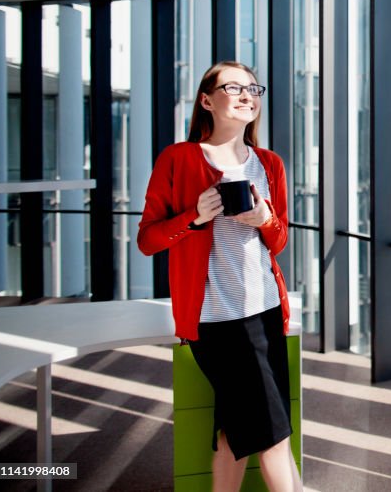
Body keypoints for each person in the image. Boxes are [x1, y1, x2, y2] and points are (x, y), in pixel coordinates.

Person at [137, 61, 301, 492]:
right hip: (217, 322)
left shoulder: (269, 163)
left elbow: (279, 241)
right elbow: (148, 240)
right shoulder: (178, 158)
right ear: (207, 100)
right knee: (274, 437)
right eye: (234, 87)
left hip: (266, 311)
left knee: (235, 433)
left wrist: (265, 219)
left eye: (253, 88)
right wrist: (195, 216)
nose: (248, 95)